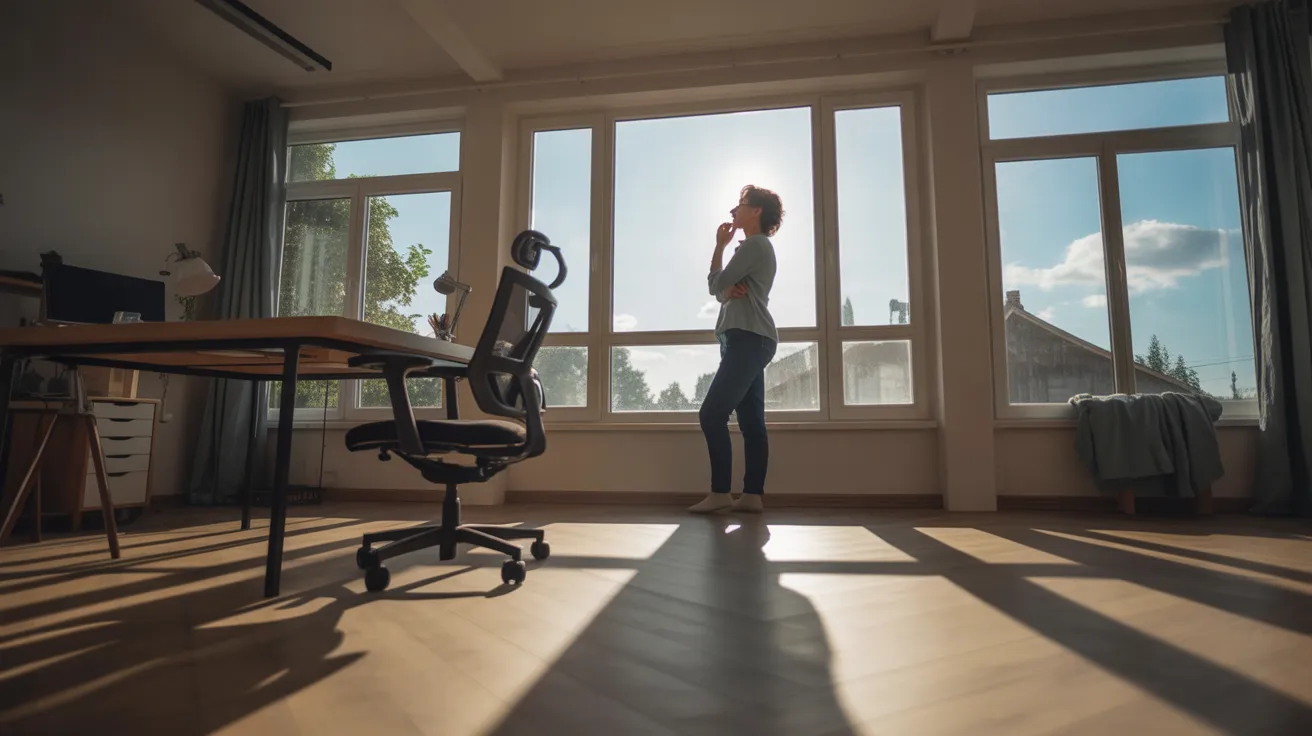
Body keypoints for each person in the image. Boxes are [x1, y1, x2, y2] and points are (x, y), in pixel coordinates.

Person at [689, 185, 783, 514]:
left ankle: (720, 492)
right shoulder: (753, 246)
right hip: (745, 339)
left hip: (748, 338)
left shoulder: (755, 244)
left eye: (740, 205)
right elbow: (722, 291)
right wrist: (726, 289)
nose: (733, 211)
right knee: (751, 422)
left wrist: (719, 247)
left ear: (757, 211)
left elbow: (716, 284)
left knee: (711, 414)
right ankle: (752, 496)